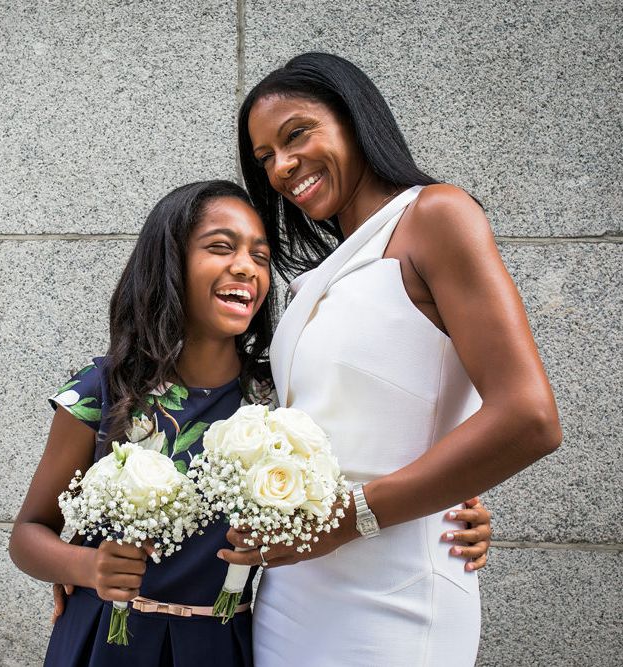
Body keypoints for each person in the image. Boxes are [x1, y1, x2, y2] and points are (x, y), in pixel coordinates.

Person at [13, 179, 491, 666]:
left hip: (224, 645)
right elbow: (29, 532)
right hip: (106, 642)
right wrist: (88, 566)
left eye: (260, 257)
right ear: (169, 262)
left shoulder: (281, 401)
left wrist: (448, 511)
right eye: (221, 247)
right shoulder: (104, 390)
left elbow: (372, 451)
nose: (245, 266)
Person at [220, 53, 562, 666]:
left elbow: (528, 417)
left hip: (395, 594)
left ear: (355, 118)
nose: (281, 167)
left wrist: (351, 520)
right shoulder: (316, 279)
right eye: (265, 157)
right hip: (292, 594)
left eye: (296, 134)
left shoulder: (437, 216)